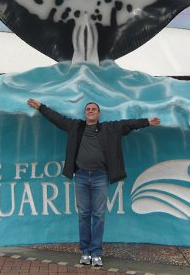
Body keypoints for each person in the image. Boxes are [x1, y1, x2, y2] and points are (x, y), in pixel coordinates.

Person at [27, 98, 160, 267]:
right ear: (85, 113)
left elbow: (127, 124)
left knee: (98, 215)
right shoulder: (76, 127)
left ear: (98, 113)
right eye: (88, 109)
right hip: (81, 176)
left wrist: (146, 122)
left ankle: (96, 252)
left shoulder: (109, 128)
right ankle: (85, 252)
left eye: (93, 109)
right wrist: (41, 107)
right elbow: (58, 119)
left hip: (100, 177)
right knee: (84, 214)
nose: (90, 111)